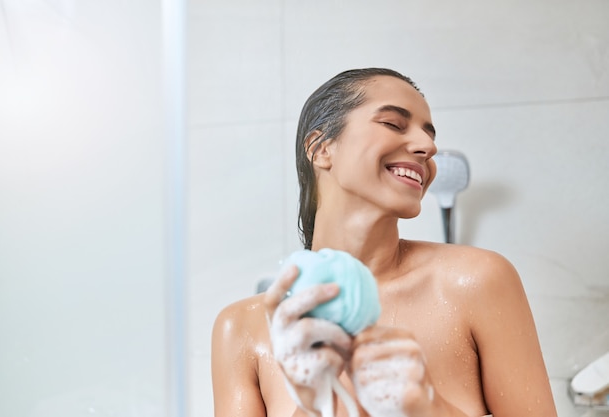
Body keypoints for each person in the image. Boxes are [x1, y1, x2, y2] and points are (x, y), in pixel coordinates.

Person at [211, 68, 557, 417]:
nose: (428, 147)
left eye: (428, 133)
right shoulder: (242, 329)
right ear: (320, 148)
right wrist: (317, 407)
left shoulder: (477, 282)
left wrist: (429, 408)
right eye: (393, 124)